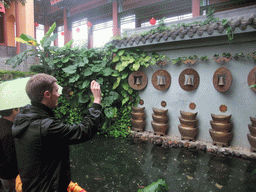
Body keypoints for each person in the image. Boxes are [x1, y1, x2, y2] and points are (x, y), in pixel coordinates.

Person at [12, 73, 104, 191]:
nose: (59, 94)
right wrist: (97, 101)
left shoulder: (23, 118)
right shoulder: (46, 127)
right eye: (56, 90)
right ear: (47, 94)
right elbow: (83, 131)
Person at [0, 108, 19, 192]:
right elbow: (11, 158)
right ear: (13, 111)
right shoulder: (9, 132)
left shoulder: (2, 123)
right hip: (9, 174)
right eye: (18, 109)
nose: (20, 111)